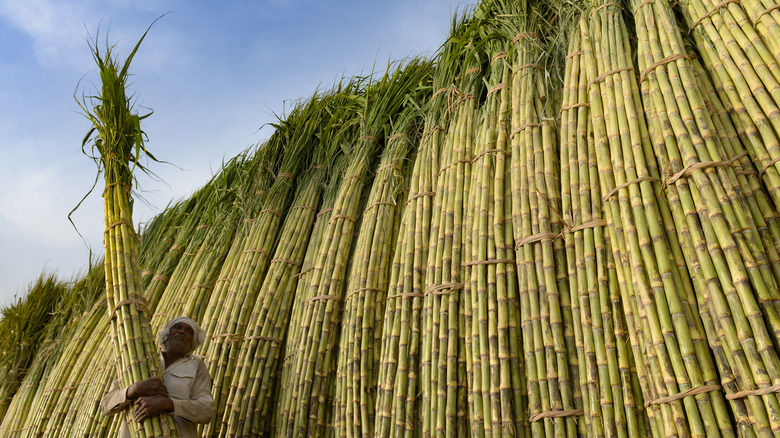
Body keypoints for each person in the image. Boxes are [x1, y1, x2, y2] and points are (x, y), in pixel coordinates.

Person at [101, 316, 215, 438]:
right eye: (177, 327)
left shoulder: (196, 366)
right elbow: (106, 406)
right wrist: (134, 389)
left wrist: (169, 404)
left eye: (189, 332)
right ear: (166, 335)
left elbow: (206, 410)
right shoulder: (140, 361)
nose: (182, 331)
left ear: (192, 344)